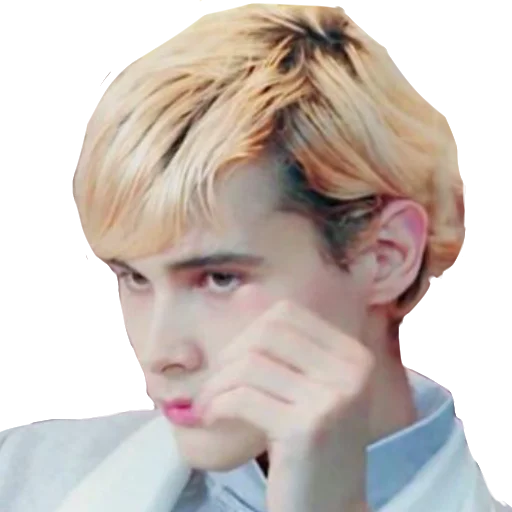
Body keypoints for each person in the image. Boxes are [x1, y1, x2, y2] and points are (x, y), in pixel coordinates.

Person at [0, 6, 507, 512]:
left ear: (385, 255)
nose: (160, 353)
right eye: (134, 278)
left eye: (219, 278)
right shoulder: (30, 478)